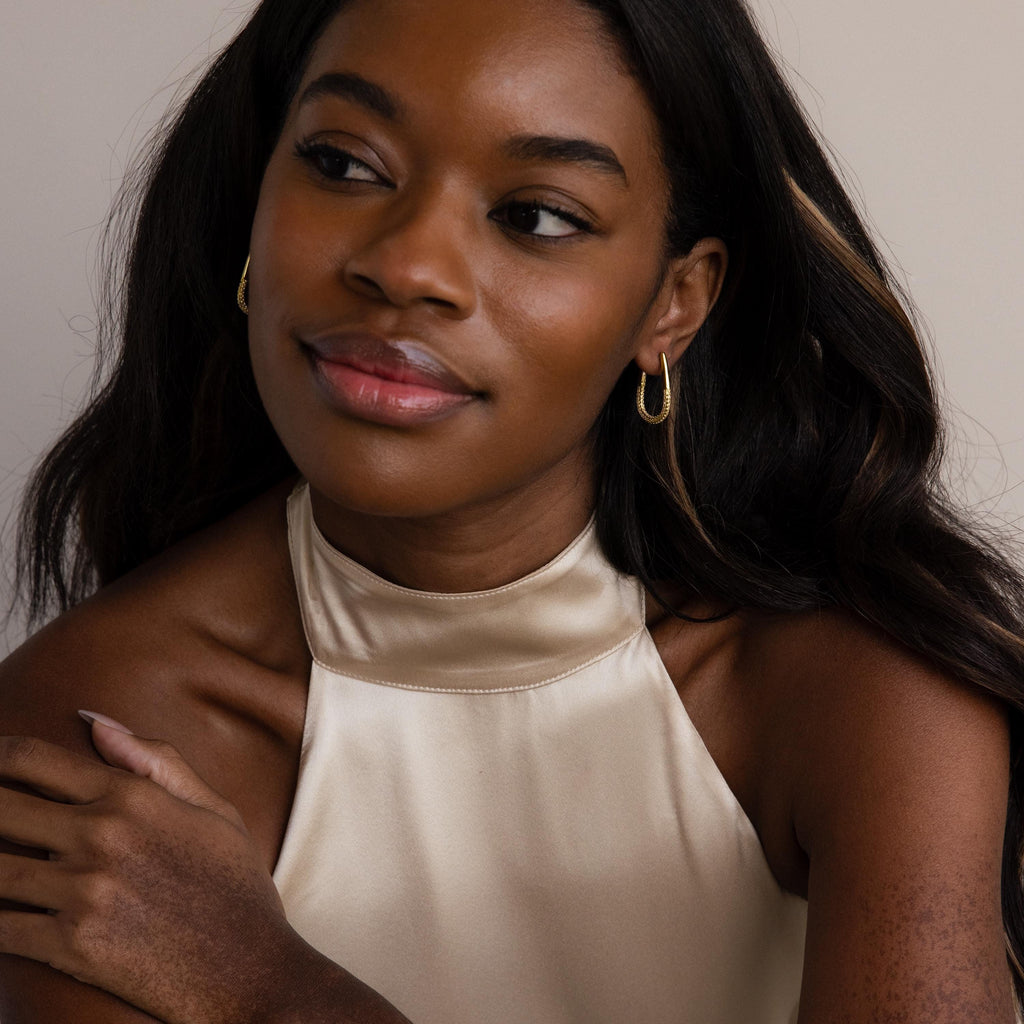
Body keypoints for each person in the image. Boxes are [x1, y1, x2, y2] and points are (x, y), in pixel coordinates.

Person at [0, 0, 1021, 1020]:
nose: (405, 267)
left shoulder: (861, 696)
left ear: (674, 304)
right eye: (344, 164)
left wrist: (271, 989)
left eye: (535, 215)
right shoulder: (103, 723)